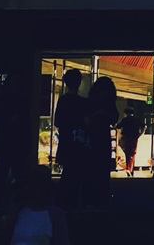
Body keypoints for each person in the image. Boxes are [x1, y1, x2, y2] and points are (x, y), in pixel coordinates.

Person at [0, 72, 31, 212]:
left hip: (5, 143)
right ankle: (17, 206)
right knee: (17, 177)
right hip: (17, 144)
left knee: (2, 176)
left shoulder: (3, 99)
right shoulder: (24, 100)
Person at [4, 167, 70, 245]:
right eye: (28, 182)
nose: (30, 187)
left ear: (45, 186)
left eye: (35, 182)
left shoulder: (55, 214)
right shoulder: (19, 211)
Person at [53, 68, 89, 211]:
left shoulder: (63, 100)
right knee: (78, 175)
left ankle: (63, 204)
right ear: (79, 82)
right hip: (79, 144)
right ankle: (73, 204)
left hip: (66, 143)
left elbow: (57, 122)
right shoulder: (84, 103)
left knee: (67, 175)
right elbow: (87, 123)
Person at [85, 77, 118, 208]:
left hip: (93, 138)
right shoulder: (109, 104)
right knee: (102, 171)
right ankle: (102, 199)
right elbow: (114, 119)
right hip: (103, 138)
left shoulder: (89, 102)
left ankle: (91, 199)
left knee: (92, 170)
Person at [118, 104, 145, 176]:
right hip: (134, 137)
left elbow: (118, 126)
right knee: (133, 153)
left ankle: (128, 168)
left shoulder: (125, 120)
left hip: (127, 137)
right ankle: (131, 169)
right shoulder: (137, 119)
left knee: (127, 153)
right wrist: (140, 134)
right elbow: (144, 126)